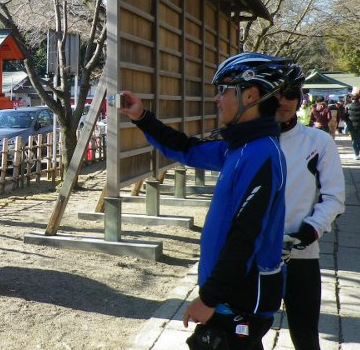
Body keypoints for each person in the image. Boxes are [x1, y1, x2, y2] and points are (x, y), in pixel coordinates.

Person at [118, 52, 290, 350]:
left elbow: (245, 236)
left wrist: (209, 298)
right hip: (229, 297)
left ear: (250, 95)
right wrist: (142, 117)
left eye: (224, 90)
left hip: (238, 300)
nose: (216, 98)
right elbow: (187, 148)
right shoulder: (240, 148)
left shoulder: (262, 154)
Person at [275, 69, 346, 350]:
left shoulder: (319, 142)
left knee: (305, 337)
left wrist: (311, 229)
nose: (283, 101)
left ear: (300, 98)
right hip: (254, 255)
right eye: (275, 94)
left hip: (300, 254)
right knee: (245, 336)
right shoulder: (247, 140)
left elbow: (334, 197)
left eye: (291, 94)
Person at [342, 91, 360, 159]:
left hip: (351, 124)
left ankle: (356, 153)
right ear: (359, 98)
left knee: (353, 139)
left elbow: (344, 116)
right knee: (359, 138)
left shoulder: (348, 106)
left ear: (352, 99)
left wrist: (347, 122)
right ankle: (357, 153)